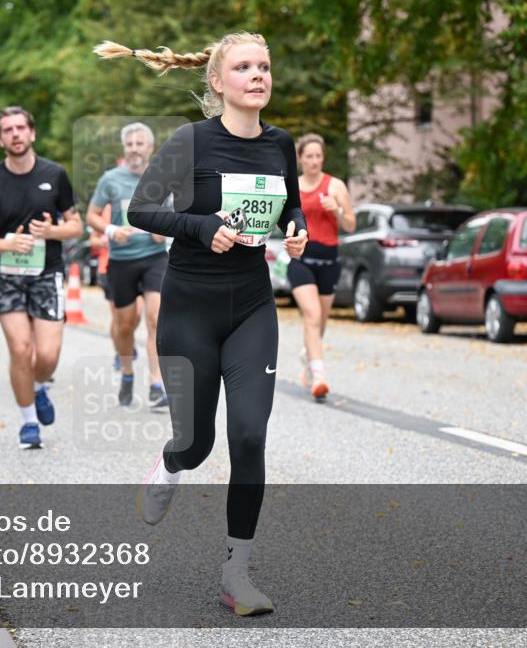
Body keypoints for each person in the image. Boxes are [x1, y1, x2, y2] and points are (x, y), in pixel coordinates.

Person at [96, 32, 308, 615]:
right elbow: (140, 210)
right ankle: (170, 464)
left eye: (264, 65)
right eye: (244, 67)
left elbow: (290, 203)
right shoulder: (191, 140)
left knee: (248, 435)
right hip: (188, 306)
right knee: (197, 441)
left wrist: (297, 228)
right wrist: (199, 226)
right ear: (218, 82)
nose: (258, 75)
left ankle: (236, 572)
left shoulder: (279, 143)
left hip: (252, 308)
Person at [0, 106, 83, 449]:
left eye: (20, 128)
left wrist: (52, 230)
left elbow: (76, 226)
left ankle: (37, 385)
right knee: (21, 348)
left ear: (32, 133)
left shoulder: (55, 174)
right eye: (7, 130)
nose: (15, 134)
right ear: (0, 139)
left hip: (47, 273)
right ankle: (29, 423)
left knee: (47, 356)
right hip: (6, 275)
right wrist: (6, 243)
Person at [87, 122, 170, 410]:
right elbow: (92, 215)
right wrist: (111, 231)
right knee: (124, 326)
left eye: (140, 144)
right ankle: (127, 373)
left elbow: (174, 214)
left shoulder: (163, 177)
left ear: (150, 147)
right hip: (122, 259)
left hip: (155, 256)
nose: (135, 149)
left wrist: (165, 228)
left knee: (156, 319)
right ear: (125, 148)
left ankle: (156, 385)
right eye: (130, 145)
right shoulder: (111, 179)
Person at [290, 134, 355, 400]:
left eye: (318, 156)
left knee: (321, 323)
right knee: (312, 315)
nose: (314, 161)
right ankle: (319, 377)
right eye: (309, 156)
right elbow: (284, 220)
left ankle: (308, 357)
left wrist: (337, 210)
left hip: (329, 261)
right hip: (301, 260)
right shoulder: (292, 186)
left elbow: (351, 225)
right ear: (300, 158)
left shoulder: (335, 186)